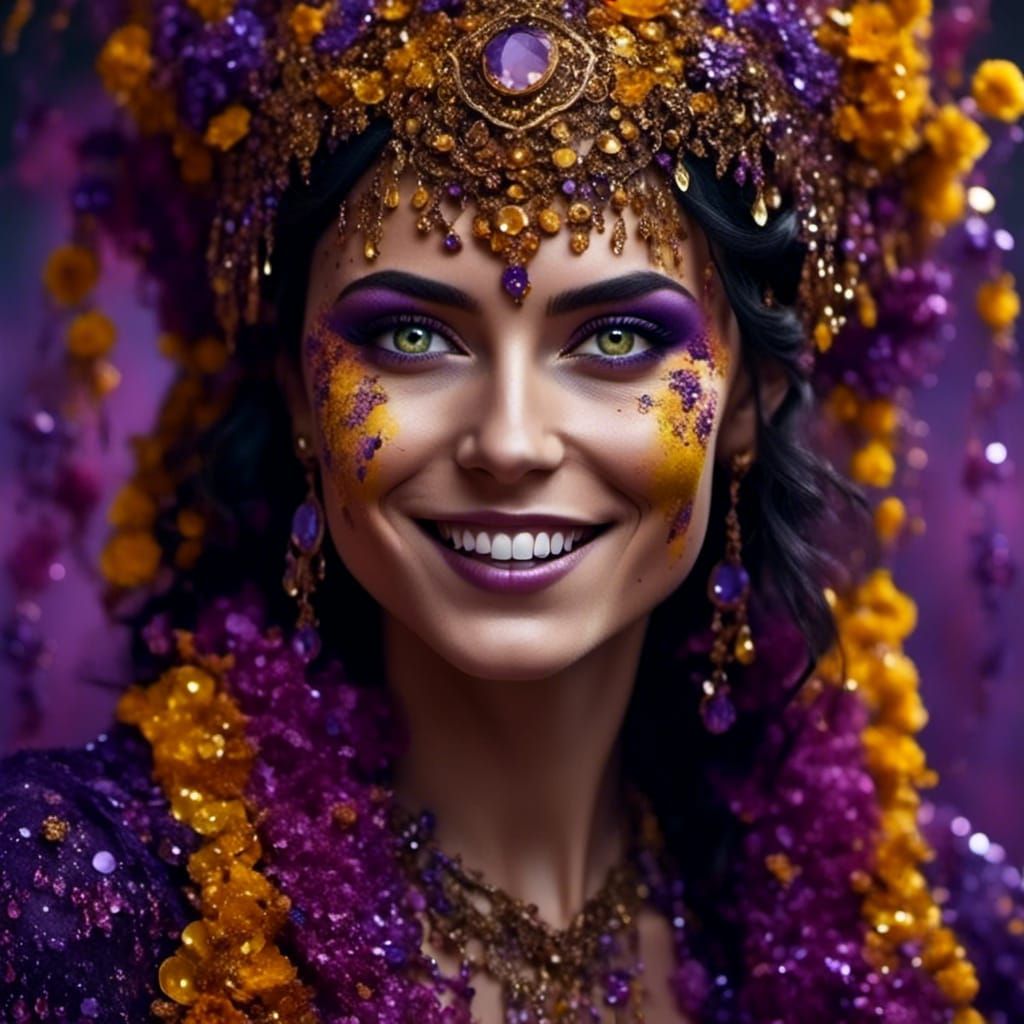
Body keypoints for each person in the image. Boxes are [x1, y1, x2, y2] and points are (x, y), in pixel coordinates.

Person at [1, 1, 1023, 1022]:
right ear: (295, 389)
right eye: (411, 337)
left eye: (615, 340)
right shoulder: (68, 917)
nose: (510, 440)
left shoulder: (934, 946)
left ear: (748, 399)